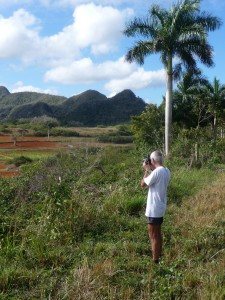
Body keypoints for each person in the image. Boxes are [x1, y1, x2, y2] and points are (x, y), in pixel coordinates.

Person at [141, 150, 170, 263]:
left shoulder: (157, 172)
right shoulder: (166, 171)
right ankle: (158, 256)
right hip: (160, 206)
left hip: (154, 208)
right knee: (157, 234)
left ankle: (155, 260)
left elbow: (143, 184)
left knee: (153, 235)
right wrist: (151, 169)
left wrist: (147, 170)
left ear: (152, 160)